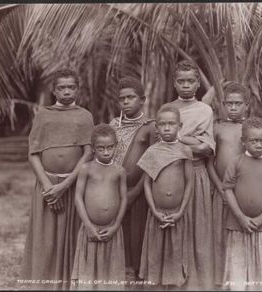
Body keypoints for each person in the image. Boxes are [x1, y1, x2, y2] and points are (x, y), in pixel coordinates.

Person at [21, 69, 94, 290]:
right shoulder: (43, 115)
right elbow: (33, 153)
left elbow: (88, 153)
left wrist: (64, 185)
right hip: (47, 187)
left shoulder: (84, 116)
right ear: (54, 90)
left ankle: (68, 283)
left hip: (72, 185)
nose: (66, 91)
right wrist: (48, 186)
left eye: (71, 87)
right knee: (46, 237)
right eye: (61, 87)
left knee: (70, 235)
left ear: (78, 89)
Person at [165, 60, 216, 289]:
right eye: (181, 81)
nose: (186, 85)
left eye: (191, 81)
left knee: (198, 228)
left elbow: (206, 148)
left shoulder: (205, 110)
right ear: (174, 83)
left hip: (196, 174)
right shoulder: (167, 110)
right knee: (174, 226)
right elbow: (162, 144)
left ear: (198, 85)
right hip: (171, 173)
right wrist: (191, 140)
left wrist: (178, 140)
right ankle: (174, 281)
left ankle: (198, 284)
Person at [222, 117, 262, 291]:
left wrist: (261, 218)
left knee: (261, 264)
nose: (259, 145)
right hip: (238, 225)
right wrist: (241, 218)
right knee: (239, 265)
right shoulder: (236, 162)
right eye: (254, 140)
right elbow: (227, 190)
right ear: (243, 141)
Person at [137, 105, 194, 289]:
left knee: (176, 252)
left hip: (178, 214)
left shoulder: (185, 150)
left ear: (180, 125)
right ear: (157, 127)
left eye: (171, 124)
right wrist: (153, 209)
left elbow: (189, 183)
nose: (167, 128)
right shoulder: (153, 151)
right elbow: (146, 183)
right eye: (162, 124)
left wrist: (181, 211)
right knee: (155, 253)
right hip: (157, 214)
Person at [109, 77, 157, 278]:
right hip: (114, 188)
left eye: (131, 97)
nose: (126, 102)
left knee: (137, 231)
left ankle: (137, 270)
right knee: (118, 229)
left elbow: (153, 163)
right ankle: (120, 268)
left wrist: (136, 192)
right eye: (122, 99)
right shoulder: (113, 125)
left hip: (138, 189)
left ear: (142, 99)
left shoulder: (150, 126)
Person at [71, 124, 127, 290]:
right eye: (101, 148)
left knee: (111, 270)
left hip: (112, 229)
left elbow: (124, 199)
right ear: (94, 148)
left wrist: (116, 226)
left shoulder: (119, 171)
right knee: (89, 271)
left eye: (110, 147)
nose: (106, 152)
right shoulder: (86, 169)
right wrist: (89, 226)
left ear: (116, 146)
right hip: (90, 228)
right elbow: (78, 198)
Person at [206, 82, 249, 287]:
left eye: (238, 103)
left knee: (238, 232)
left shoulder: (250, 129)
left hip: (242, 192)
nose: (233, 107)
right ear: (223, 104)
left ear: (246, 105)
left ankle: (238, 276)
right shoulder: (217, 128)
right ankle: (218, 278)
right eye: (229, 103)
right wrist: (220, 187)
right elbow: (210, 162)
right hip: (220, 190)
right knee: (218, 232)